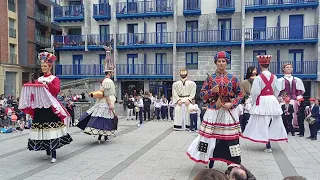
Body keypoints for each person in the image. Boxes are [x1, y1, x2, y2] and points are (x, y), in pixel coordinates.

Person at [187, 51, 243, 167]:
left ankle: (232, 164)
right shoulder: (210, 79)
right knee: (211, 138)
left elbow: (240, 94)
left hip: (228, 112)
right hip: (213, 112)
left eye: (223, 61)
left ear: (227, 63)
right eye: (219, 61)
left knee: (231, 139)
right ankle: (209, 162)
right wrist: (211, 91)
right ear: (215, 63)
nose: (221, 63)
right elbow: (202, 95)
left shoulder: (233, 78)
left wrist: (232, 104)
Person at [18, 52, 72, 163]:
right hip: (40, 107)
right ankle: (47, 151)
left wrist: (47, 84)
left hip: (50, 108)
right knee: (43, 130)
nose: (43, 68)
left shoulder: (54, 78)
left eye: (45, 66)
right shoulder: (40, 79)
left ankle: (54, 155)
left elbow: (56, 91)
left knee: (51, 131)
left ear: (50, 67)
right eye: (42, 66)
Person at [242, 55, 287, 152]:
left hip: (262, 100)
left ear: (260, 65)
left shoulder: (258, 78)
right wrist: (273, 98)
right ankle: (269, 142)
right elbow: (277, 90)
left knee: (263, 122)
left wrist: (253, 102)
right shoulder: (274, 77)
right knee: (272, 121)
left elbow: (255, 92)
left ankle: (267, 143)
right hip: (272, 99)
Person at [77, 46, 117, 144]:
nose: (113, 73)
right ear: (110, 72)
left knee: (102, 119)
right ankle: (103, 137)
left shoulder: (105, 80)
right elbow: (106, 94)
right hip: (106, 103)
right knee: (105, 120)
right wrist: (110, 104)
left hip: (104, 102)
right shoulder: (108, 81)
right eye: (112, 71)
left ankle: (102, 137)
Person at [278, 63, 305, 131]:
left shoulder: (297, 80)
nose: (289, 68)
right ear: (283, 69)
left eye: (290, 67)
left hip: (294, 99)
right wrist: (281, 98)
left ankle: (295, 126)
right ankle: (284, 126)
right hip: (284, 100)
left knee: (295, 113)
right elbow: (278, 92)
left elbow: (299, 91)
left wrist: (299, 98)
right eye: (287, 67)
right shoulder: (280, 80)